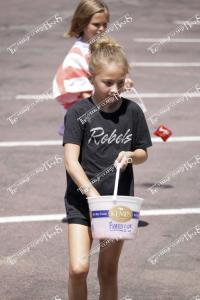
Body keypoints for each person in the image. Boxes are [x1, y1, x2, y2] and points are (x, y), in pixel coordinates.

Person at [63, 35, 152, 300]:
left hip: (117, 203)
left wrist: (130, 156)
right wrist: (90, 193)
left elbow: (142, 153)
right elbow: (70, 160)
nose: (115, 89)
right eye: (107, 82)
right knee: (79, 268)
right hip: (82, 201)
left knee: (108, 272)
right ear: (92, 79)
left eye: (120, 82)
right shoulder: (78, 112)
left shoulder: (132, 111)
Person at [53, 0, 109, 135]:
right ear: (82, 24)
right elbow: (84, 93)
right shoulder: (76, 56)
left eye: (105, 24)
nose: (101, 28)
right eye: (96, 24)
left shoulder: (100, 47)